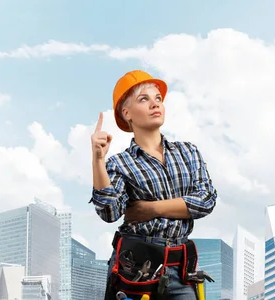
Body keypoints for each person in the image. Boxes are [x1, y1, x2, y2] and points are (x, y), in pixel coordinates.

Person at [89, 70, 217, 300]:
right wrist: (98, 160)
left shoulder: (188, 152)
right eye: (144, 99)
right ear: (126, 113)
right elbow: (109, 212)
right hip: (135, 271)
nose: (154, 104)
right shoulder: (119, 163)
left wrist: (151, 209)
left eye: (158, 98)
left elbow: (205, 201)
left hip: (180, 271)